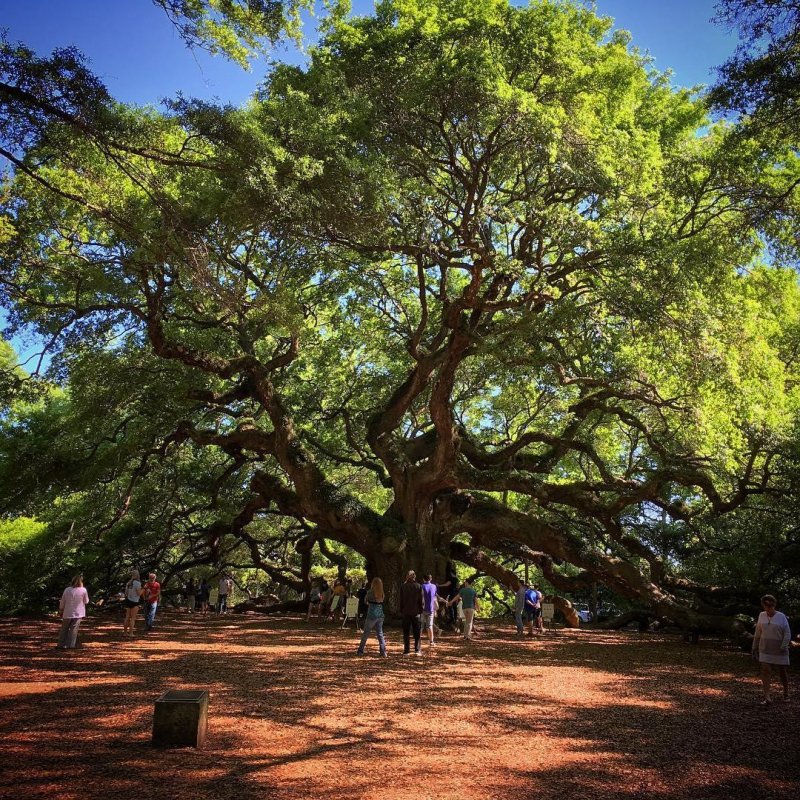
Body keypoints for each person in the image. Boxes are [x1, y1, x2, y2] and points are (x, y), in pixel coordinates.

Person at [752, 594, 791, 705]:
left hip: (779, 649)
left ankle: (786, 693)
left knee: (782, 671)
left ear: (774, 605)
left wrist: (784, 645)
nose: (768, 607)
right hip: (765, 648)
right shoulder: (761, 615)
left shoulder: (781, 617)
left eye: (770, 605)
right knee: (765, 670)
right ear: (763, 605)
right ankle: (767, 696)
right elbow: (758, 632)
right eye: (766, 605)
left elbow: (787, 633)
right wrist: (754, 647)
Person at [357, 577, 388, 657]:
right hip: (380, 614)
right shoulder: (382, 593)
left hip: (372, 614)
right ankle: (383, 652)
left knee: (366, 633)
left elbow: (365, 601)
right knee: (380, 634)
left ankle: (360, 650)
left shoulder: (370, 592)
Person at [57, 575, 89, 649]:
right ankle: (70, 645)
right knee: (73, 630)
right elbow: (86, 601)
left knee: (64, 629)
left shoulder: (67, 589)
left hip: (67, 612)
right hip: (78, 613)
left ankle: (60, 645)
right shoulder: (83, 590)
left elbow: (63, 601)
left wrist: (61, 609)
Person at [400, 570, 424, 655]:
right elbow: (421, 600)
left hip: (406, 611)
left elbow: (401, 600)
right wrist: (421, 610)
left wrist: (401, 610)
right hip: (416, 612)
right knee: (416, 632)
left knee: (406, 632)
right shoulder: (418, 586)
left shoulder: (403, 586)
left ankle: (406, 650)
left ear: (407, 576)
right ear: (415, 577)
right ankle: (417, 650)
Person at [122, 569, 143, 636]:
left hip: (128, 601)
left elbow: (126, 593)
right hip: (135, 601)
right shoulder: (137, 583)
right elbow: (139, 593)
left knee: (127, 617)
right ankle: (131, 633)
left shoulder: (128, 583)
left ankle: (125, 633)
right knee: (133, 618)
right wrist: (144, 590)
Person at [421, 574, 439, 647]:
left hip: (422, 609)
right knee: (430, 626)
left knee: (420, 626)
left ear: (423, 579)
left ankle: (418, 641)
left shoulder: (421, 586)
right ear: (430, 579)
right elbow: (435, 596)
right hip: (431, 609)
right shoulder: (434, 586)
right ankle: (431, 641)